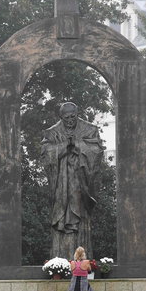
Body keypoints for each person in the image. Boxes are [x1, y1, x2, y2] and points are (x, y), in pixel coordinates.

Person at [41, 102, 105, 260]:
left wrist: (76, 144)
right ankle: (59, 262)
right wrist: (64, 146)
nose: (70, 120)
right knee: (61, 219)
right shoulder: (52, 132)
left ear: (78, 113)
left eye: (73, 116)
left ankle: (83, 261)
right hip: (61, 184)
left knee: (81, 218)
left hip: (80, 181)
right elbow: (45, 154)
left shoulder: (90, 129)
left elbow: (96, 152)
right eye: (66, 117)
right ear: (61, 117)